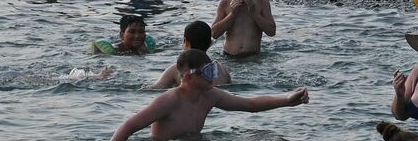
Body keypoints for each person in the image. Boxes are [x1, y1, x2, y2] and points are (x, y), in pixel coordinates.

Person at [111, 49, 307, 140]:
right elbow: (128, 127)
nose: (213, 77)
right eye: (207, 73)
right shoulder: (168, 101)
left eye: (213, 70)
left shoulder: (210, 95)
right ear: (188, 77)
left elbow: (250, 105)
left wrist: (287, 100)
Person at [210, 0, 276, 57]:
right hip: (229, 57)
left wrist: (254, 12)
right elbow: (214, 33)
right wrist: (232, 14)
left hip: (253, 57)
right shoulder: (225, 4)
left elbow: (271, 32)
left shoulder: (262, 3)